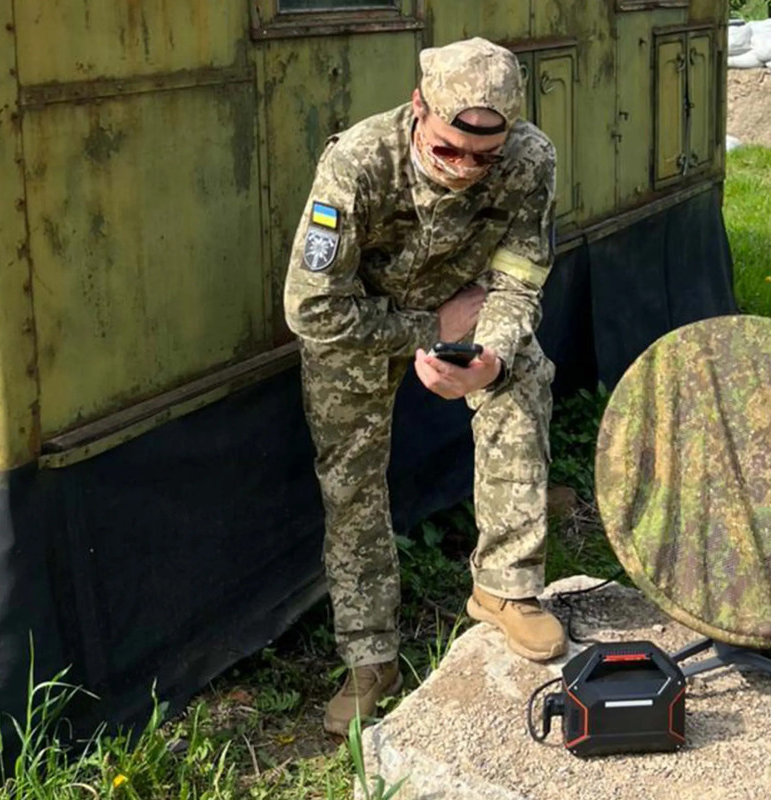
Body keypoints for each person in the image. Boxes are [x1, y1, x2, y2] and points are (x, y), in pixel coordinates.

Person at [283, 37, 566, 736]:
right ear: (418, 109)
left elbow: (519, 278)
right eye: (447, 150)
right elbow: (312, 309)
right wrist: (427, 327)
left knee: (524, 378)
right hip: (361, 325)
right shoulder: (358, 162)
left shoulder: (531, 161)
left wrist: (491, 356)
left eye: (484, 157)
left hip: (467, 313)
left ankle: (506, 587)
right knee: (351, 481)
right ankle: (370, 656)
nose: (465, 169)